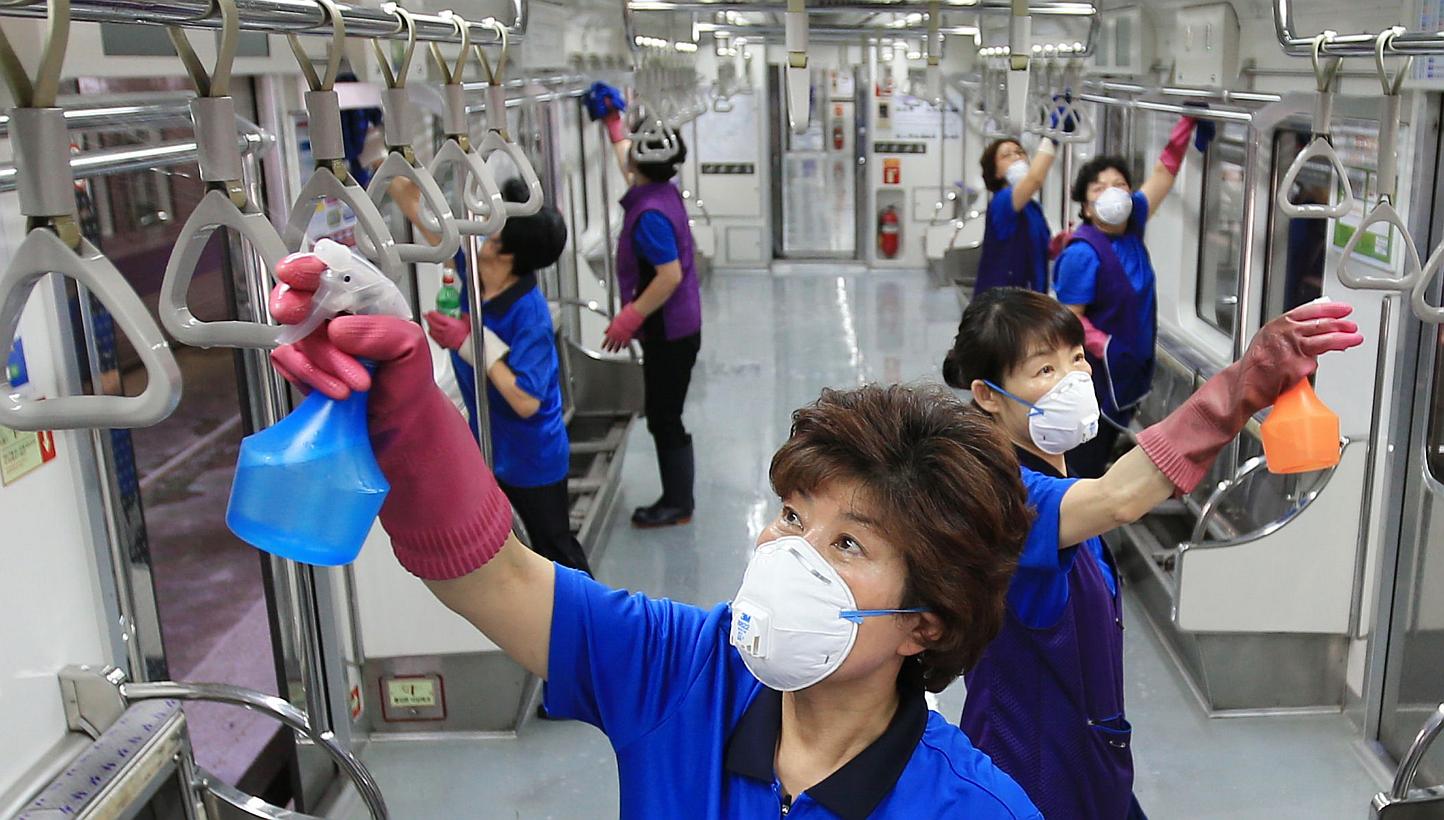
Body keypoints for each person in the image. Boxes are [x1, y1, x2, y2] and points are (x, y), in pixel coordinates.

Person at [268, 255, 1043, 815]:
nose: (788, 555)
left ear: (925, 623)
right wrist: (405, 404)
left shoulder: (973, 809)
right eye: (795, 518)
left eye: (848, 546)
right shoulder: (680, 672)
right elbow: (492, 577)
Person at [941, 287, 1362, 819]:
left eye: (1076, 360)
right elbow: (1119, 498)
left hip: (1087, 753)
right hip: (1034, 767)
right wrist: (1243, 385)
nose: (1073, 380)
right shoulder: (1003, 498)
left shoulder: (1056, 480)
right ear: (988, 395)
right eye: (1043, 372)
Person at [419, 180, 592, 577]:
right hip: (490, 448)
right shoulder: (480, 275)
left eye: (495, 231)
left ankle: (595, 628)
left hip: (533, 456)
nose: (486, 234)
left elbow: (526, 401)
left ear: (506, 252)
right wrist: (387, 163)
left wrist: (471, 343)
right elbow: (426, 222)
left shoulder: (528, 314)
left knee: (555, 549)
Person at [1053, 114, 1215, 477]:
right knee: (1085, 462)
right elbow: (1067, 319)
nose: (1111, 192)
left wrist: (1186, 124)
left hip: (1128, 368)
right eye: (1098, 187)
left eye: (1120, 184)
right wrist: (1107, 345)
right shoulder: (1082, 253)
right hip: (1096, 374)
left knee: (1103, 450)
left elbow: (1163, 174)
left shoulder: (1133, 225)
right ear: (1085, 206)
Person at [586, 81, 703, 529]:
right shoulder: (660, 191)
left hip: (668, 331)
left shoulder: (650, 214)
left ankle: (678, 503)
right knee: (663, 411)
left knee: (664, 415)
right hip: (678, 326)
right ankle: (679, 497)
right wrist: (614, 126)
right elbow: (629, 165)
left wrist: (629, 317)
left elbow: (668, 275)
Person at [973, 104, 1072, 295]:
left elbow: (1038, 251)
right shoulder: (1002, 202)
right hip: (1003, 302)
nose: (1016, 158)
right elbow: (1035, 179)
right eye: (1006, 156)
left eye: (1019, 152)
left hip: (1030, 296)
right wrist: (1052, 137)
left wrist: (1056, 246)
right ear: (996, 172)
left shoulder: (1032, 208)